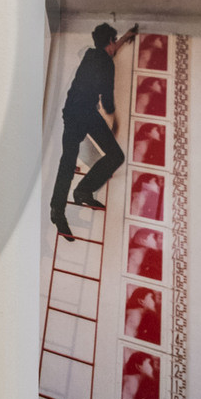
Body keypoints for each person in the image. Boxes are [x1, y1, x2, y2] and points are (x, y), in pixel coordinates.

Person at [50, 21, 134, 242]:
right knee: (113, 156)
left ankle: (81, 193)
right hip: (83, 115)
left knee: (68, 161)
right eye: (115, 41)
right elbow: (106, 101)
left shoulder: (90, 54)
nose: (116, 46)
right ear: (110, 42)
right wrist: (115, 119)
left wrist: (126, 37)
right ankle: (60, 209)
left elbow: (110, 51)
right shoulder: (107, 63)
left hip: (76, 112)